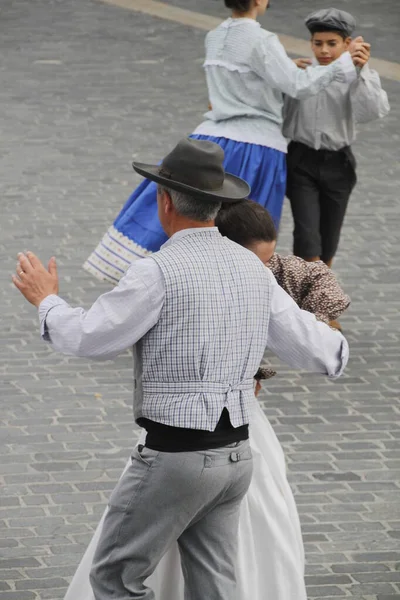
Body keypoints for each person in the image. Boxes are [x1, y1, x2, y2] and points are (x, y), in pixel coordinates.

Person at [14, 138, 348, 600]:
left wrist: (46, 301)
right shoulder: (254, 269)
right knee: (216, 585)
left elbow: (90, 338)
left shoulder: (158, 271)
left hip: (178, 457)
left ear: (164, 201)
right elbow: (323, 352)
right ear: (217, 204)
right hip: (237, 457)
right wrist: (334, 338)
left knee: (115, 576)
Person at [83, 0, 367, 285]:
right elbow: (298, 85)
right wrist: (345, 61)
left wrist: (280, 67)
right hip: (255, 147)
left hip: (210, 138)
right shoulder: (262, 39)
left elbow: (242, 77)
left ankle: (162, 281)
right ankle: (232, 292)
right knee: (246, 232)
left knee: (186, 214)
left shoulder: (215, 35)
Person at [284, 8, 390, 268]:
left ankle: (320, 302)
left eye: (332, 44)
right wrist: (285, 74)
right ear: (310, 43)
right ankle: (301, 300)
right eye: (318, 43)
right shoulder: (302, 72)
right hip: (301, 160)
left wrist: (361, 72)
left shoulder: (358, 75)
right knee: (307, 238)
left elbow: (372, 112)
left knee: (329, 241)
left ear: (347, 44)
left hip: (338, 163)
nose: (324, 51)